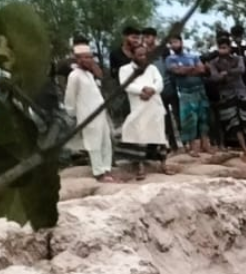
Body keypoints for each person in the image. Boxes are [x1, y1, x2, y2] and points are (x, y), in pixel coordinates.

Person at [63, 44, 114, 181]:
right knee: (94, 143)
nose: (90, 60)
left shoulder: (89, 74)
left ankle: (107, 169)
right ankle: (98, 172)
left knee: (105, 141)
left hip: (100, 113)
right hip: (87, 115)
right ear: (78, 59)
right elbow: (70, 97)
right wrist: (73, 114)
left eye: (91, 57)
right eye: (86, 57)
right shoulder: (74, 76)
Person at [119, 44, 168, 178]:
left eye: (145, 54)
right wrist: (142, 90)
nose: (143, 57)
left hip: (155, 105)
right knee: (139, 136)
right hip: (139, 106)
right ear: (132, 55)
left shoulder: (152, 68)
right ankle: (141, 168)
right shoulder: (125, 69)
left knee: (159, 136)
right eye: (140, 55)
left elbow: (159, 82)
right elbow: (126, 85)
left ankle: (164, 165)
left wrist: (151, 90)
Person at [207, 37, 246, 160]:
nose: (222, 50)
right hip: (226, 95)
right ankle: (245, 151)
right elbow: (214, 77)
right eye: (220, 48)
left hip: (241, 93)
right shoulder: (214, 62)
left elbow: (241, 70)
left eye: (225, 47)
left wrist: (226, 72)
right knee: (234, 124)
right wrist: (223, 75)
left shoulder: (238, 58)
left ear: (230, 48)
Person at [165, 34, 210, 156]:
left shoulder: (193, 56)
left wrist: (186, 69)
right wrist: (192, 69)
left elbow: (202, 70)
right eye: (171, 43)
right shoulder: (170, 59)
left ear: (181, 42)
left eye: (176, 41)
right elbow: (177, 71)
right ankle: (193, 148)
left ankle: (205, 145)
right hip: (185, 91)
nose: (174, 45)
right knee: (189, 119)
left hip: (199, 89)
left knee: (203, 117)